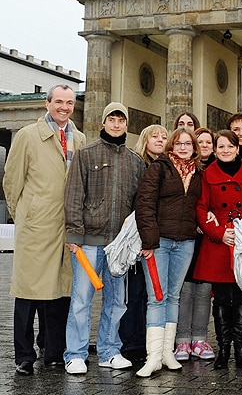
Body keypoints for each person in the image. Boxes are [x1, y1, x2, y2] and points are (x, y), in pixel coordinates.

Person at [3, 85, 86, 376]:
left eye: (69, 102)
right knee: (28, 293)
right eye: (59, 101)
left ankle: (52, 350)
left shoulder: (80, 138)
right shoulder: (27, 136)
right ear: (48, 103)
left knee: (59, 291)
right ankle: (24, 355)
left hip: (65, 227)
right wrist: (24, 216)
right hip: (36, 226)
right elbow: (12, 182)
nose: (64, 107)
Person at [63, 102, 145, 374]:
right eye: (112, 119)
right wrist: (73, 234)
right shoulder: (86, 155)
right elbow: (74, 195)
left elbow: (138, 206)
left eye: (121, 120)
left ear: (126, 124)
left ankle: (110, 351)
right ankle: (75, 353)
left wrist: (134, 242)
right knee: (81, 299)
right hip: (88, 241)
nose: (116, 124)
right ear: (103, 122)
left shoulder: (135, 161)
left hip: (119, 246)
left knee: (116, 301)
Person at [192, 130, 242, 369]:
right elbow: (201, 208)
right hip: (219, 241)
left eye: (230, 146)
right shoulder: (207, 174)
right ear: (215, 150)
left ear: (237, 148)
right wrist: (218, 233)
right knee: (222, 299)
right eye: (221, 147)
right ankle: (224, 352)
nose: (225, 150)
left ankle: (241, 352)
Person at [135, 127, 203, 377]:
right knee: (157, 297)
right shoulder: (159, 168)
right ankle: (152, 356)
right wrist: (149, 240)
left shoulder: (198, 173)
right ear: (171, 146)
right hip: (159, 243)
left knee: (173, 296)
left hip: (185, 242)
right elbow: (144, 203)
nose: (183, 147)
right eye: (178, 143)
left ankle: (167, 352)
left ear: (194, 148)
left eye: (188, 143)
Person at [120, 124, 169, 363]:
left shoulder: (169, 167)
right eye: (155, 136)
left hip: (159, 238)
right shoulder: (137, 164)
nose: (160, 140)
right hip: (137, 237)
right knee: (135, 291)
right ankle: (132, 342)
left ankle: (149, 342)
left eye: (164, 137)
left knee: (155, 293)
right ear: (144, 139)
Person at [174, 127, 217, 362]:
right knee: (185, 288)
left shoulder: (209, 172)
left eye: (208, 141)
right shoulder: (185, 170)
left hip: (206, 237)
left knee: (202, 290)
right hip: (187, 234)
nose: (204, 145)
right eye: (200, 141)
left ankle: (199, 338)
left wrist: (207, 220)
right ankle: (182, 341)